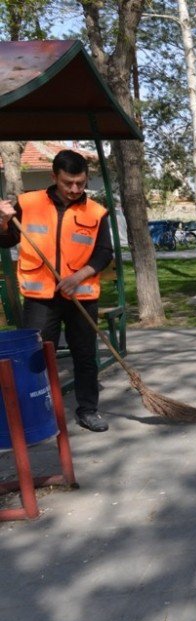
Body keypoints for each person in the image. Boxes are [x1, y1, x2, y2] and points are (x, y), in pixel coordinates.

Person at [0, 149, 114, 433]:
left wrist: (77, 278)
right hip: (40, 298)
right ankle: (37, 411)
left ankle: (88, 410)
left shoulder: (96, 212)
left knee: (85, 355)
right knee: (35, 356)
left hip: (81, 296)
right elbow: (7, 239)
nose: (75, 189)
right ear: (54, 177)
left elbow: (103, 254)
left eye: (81, 183)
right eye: (68, 183)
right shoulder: (28, 204)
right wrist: (2, 220)